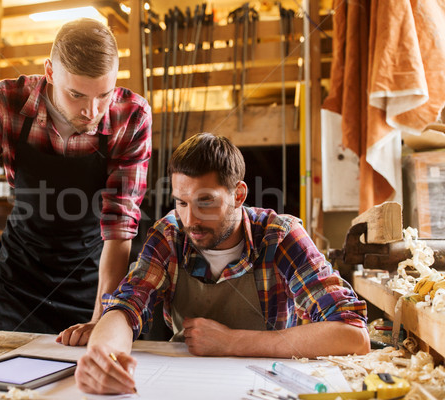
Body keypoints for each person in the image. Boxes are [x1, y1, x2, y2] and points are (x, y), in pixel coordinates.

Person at [74, 133, 370, 394]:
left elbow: (353, 334)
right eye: (182, 202)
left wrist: (232, 342)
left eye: (205, 201)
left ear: (238, 195)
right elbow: (126, 308)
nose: (190, 220)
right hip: (185, 382)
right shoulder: (169, 235)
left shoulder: (279, 236)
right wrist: (103, 356)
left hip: (267, 386)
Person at [0, 18, 152, 346]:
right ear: (50, 73)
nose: (90, 112)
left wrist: (103, 317)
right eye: (76, 94)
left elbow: (120, 223)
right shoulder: (6, 102)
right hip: (14, 287)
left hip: (91, 287)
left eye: (103, 95)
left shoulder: (131, 116)